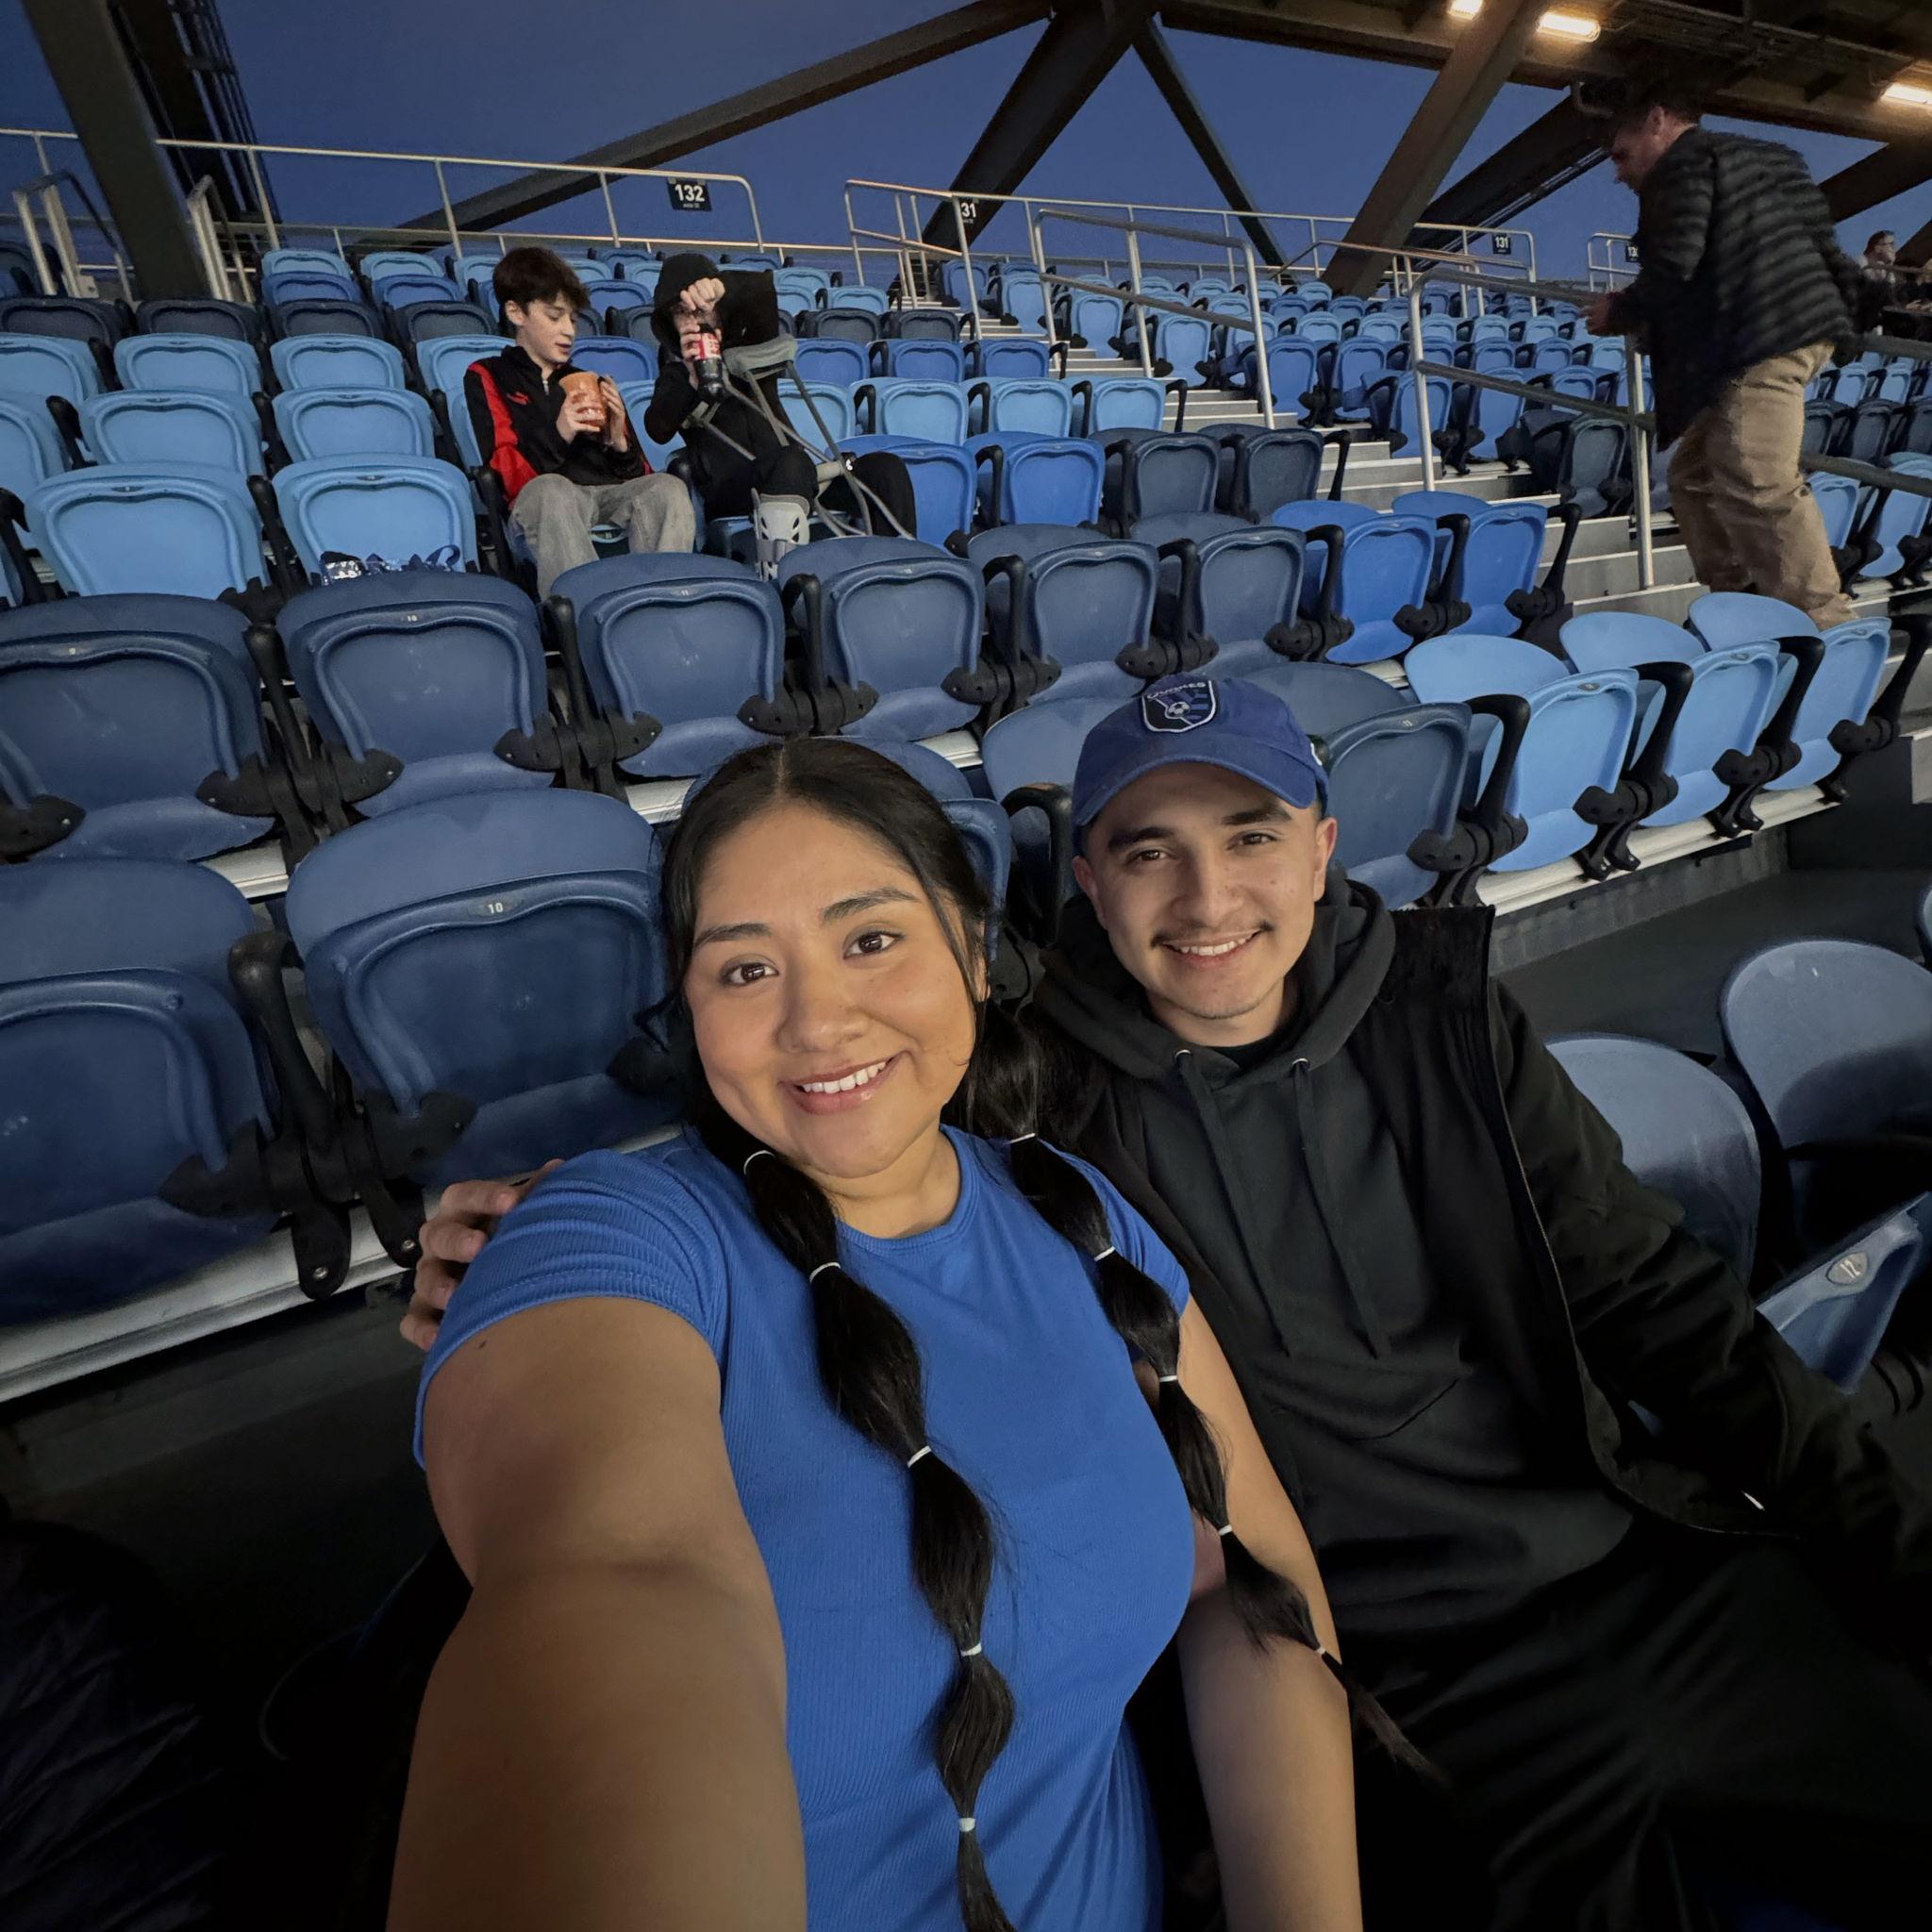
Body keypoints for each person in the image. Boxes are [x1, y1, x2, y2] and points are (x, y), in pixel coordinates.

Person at [415, 675, 1932, 1930]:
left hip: (1622, 1572)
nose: (1207, 898)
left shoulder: (1419, 1031)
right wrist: (538, 1252)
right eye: (1147, 852)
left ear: (1320, 849)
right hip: (1405, 1681)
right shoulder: (1035, 1115)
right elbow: (629, 1556)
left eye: (1249, 837)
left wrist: (1891, 1539)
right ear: (1083, 885)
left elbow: (1655, 1299)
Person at [391, 736, 1374, 1932]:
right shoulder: (610, 1232)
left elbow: (1252, 1586)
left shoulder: (1078, 1213)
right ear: (689, 1006)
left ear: (972, 948)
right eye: (745, 968)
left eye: (869, 939)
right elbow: (617, 1582)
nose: (818, 1021)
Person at [1587, 86, 1861, 628]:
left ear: (1658, 119)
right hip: (1795, 330)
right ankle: (1739, 602)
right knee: (1694, 477)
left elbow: (1677, 262)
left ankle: (1825, 625)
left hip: (1755, 337)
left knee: (1759, 481)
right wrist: (1846, 320)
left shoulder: (1680, 168)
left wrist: (1618, 311)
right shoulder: (1776, 159)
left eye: (1621, 154)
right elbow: (1828, 248)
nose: (1619, 173)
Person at [643, 251, 915, 570]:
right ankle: (780, 577)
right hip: (734, 490)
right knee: (789, 460)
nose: (694, 318)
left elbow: (761, 291)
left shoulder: (753, 346)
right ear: (670, 323)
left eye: (702, 309)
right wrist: (693, 378)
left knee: (885, 468)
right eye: (681, 312)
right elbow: (657, 427)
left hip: (796, 477)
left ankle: (898, 573)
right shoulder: (675, 375)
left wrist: (719, 288)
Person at [462, 246, 694, 594]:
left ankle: (663, 602)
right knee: (552, 490)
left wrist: (619, 442)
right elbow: (505, 473)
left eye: (572, 319)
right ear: (516, 312)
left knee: (668, 488)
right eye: (555, 316)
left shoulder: (591, 380)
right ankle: (585, 609)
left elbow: (639, 475)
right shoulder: (488, 374)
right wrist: (560, 432)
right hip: (542, 500)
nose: (569, 331)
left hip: (607, 494)